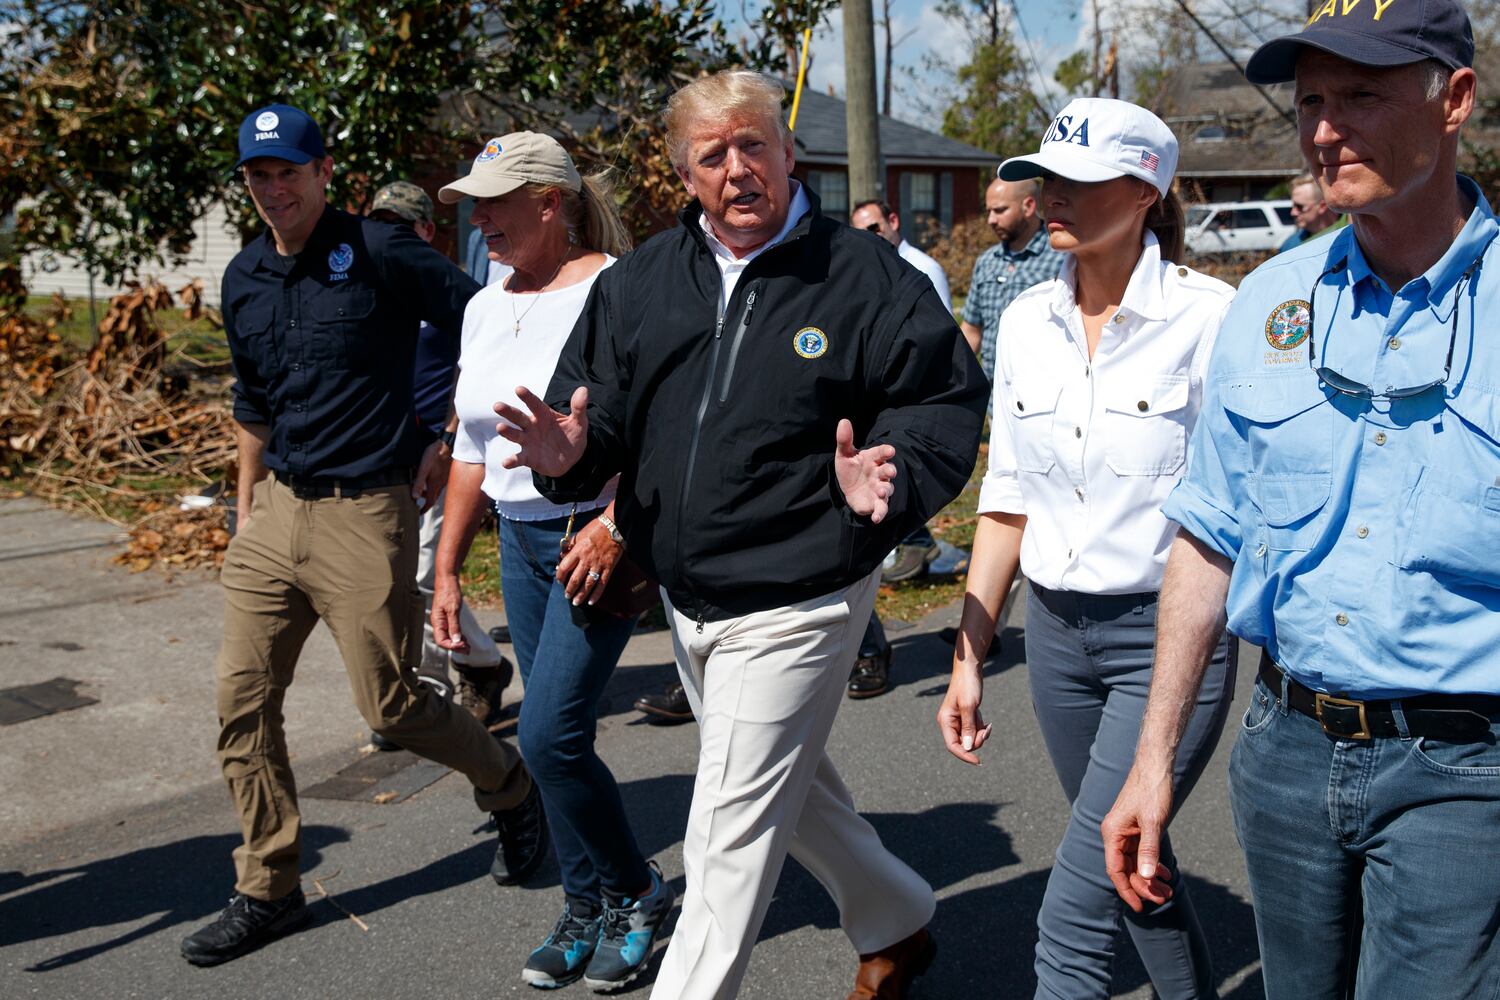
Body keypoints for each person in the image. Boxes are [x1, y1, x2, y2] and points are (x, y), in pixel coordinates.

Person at [498, 70, 987, 999]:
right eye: (713, 155)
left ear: (788, 151)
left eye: (753, 145)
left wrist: (887, 476)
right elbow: (597, 417)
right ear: (684, 174)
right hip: (691, 597)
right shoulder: (641, 281)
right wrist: (569, 449)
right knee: (785, 791)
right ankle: (898, 920)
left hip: (803, 593)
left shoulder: (864, 277)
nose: (738, 170)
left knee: (723, 837)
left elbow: (942, 401)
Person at [1102, 4, 1500, 997]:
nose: (1325, 128)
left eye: (1361, 93)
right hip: (1284, 754)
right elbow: (1208, 538)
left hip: (1464, 771)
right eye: (1311, 99)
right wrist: (1153, 761)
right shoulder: (1268, 305)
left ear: (1454, 99)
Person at [180, 105, 544, 968]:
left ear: (323, 173)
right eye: (258, 177)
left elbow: (485, 322)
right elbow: (252, 410)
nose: (274, 191)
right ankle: (268, 885)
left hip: (365, 510)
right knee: (241, 704)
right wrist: (243, 516)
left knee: (392, 705)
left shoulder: (378, 251)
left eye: (289, 173)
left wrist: (448, 434)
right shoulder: (244, 278)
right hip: (275, 514)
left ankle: (510, 786)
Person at [937, 98, 1236, 1000]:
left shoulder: (1209, 319)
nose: (1051, 194)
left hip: (1166, 643)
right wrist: (967, 653)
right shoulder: (1028, 320)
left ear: (1147, 191)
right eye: (1048, 177)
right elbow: (1009, 498)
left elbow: (1226, 514)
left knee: (1071, 918)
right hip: (1057, 644)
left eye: (1081, 181)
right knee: (1135, 866)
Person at [429, 132, 673, 993]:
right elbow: (470, 446)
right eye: (474, 203)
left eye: (497, 201)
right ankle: (584, 905)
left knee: (547, 733)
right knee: (556, 734)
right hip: (520, 540)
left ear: (549, 202)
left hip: (594, 537)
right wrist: (450, 569)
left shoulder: (620, 286)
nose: (479, 217)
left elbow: (660, 426)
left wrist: (614, 521)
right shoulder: (485, 302)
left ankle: (638, 893)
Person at [365, 181, 512, 749]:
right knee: (403, 580)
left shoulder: (446, 292)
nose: (393, 235)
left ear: (428, 231)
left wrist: (451, 437)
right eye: (382, 223)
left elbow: (477, 370)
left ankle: (429, 690)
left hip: (442, 452)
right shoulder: (371, 287)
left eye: (405, 225)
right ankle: (478, 664)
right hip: (386, 458)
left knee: (425, 577)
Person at [960, 176, 1065, 380]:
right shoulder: (987, 261)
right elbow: (972, 329)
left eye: (999, 210)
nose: (991, 220)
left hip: (1042, 396)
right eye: (988, 211)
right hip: (992, 400)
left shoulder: (1062, 259)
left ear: (1028, 206)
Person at [850, 199, 953, 311]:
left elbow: (945, 324)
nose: (869, 237)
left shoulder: (926, 268)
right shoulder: (861, 274)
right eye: (861, 234)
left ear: (893, 222)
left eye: (873, 228)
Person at [1277, 172, 1345, 253]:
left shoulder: (1352, 237)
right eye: (1293, 206)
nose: (1293, 213)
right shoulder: (1290, 246)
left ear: (1322, 206)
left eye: (1299, 207)